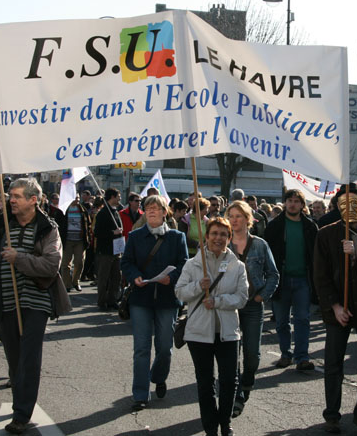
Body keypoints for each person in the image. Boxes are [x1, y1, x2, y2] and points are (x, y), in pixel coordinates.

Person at [0, 177, 71, 435]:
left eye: (16, 196)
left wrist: (20, 259)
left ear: (33, 200)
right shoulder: (0, 225)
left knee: (29, 357)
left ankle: (22, 413)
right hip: (4, 301)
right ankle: (20, 401)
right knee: (14, 357)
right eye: (10, 196)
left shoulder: (48, 228)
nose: (10, 200)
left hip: (36, 302)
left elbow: (51, 265)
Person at [313, 184, 357, 435]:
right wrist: (334, 306)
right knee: (333, 363)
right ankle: (332, 415)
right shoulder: (325, 235)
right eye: (346, 203)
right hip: (338, 310)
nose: (352, 208)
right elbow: (320, 276)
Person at [175, 217, 248, 436]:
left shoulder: (237, 265)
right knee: (205, 383)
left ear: (229, 237)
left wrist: (218, 301)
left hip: (228, 332)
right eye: (214, 233)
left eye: (223, 234)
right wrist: (199, 286)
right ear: (206, 237)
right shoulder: (193, 264)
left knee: (229, 381)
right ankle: (210, 426)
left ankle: (224, 422)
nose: (218, 238)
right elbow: (179, 292)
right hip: (199, 333)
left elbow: (242, 297)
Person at [121, 195, 188, 410]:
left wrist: (173, 277)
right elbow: (126, 262)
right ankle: (140, 394)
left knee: (165, 347)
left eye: (155, 208)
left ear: (164, 212)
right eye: (147, 208)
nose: (151, 211)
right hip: (141, 298)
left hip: (168, 299)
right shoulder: (135, 236)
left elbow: (184, 263)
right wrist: (134, 276)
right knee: (141, 348)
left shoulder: (177, 237)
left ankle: (159, 376)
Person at [226, 201, 279, 417]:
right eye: (231, 216)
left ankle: (247, 380)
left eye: (239, 216)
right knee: (231, 355)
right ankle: (236, 396)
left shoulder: (259, 245)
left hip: (252, 306)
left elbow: (273, 274)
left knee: (252, 355)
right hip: (228, 306)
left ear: (248, 219)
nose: (234, 219)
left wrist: (261, 296)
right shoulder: (223, 244)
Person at [264, 189, 318, 370]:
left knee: (302, 318)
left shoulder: (310, 227)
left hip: (303, 278)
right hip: (281, 278)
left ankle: (302, 356)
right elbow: (267, 255)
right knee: (281, 321)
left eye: (297, 201)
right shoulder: (274, 226)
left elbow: (315, 255)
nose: (293, 204)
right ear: (285, 203)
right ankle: (286, 353)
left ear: (302, 205)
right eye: (290, 201)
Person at [94, 187, 124, 310]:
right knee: (104, 278)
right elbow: (97, 232)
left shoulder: (116, 212)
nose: (120, 199)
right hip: (105, 251)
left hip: (116, 251)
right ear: (112, 197)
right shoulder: (102, 213)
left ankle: (112, 300)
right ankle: (102, 302)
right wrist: (113, 232)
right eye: (118, 197)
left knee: (116, 277)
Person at [58, 197, 91, 292]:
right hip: (67, 240)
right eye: (75, 198)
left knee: (79, 263)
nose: (77, 200)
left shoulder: (83, 210)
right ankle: (67, 284)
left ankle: (76, 281)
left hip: (80, 240)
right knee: (65, 264)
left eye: (78, 198)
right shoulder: (64, 210)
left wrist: (87, 237)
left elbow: (88, 224)